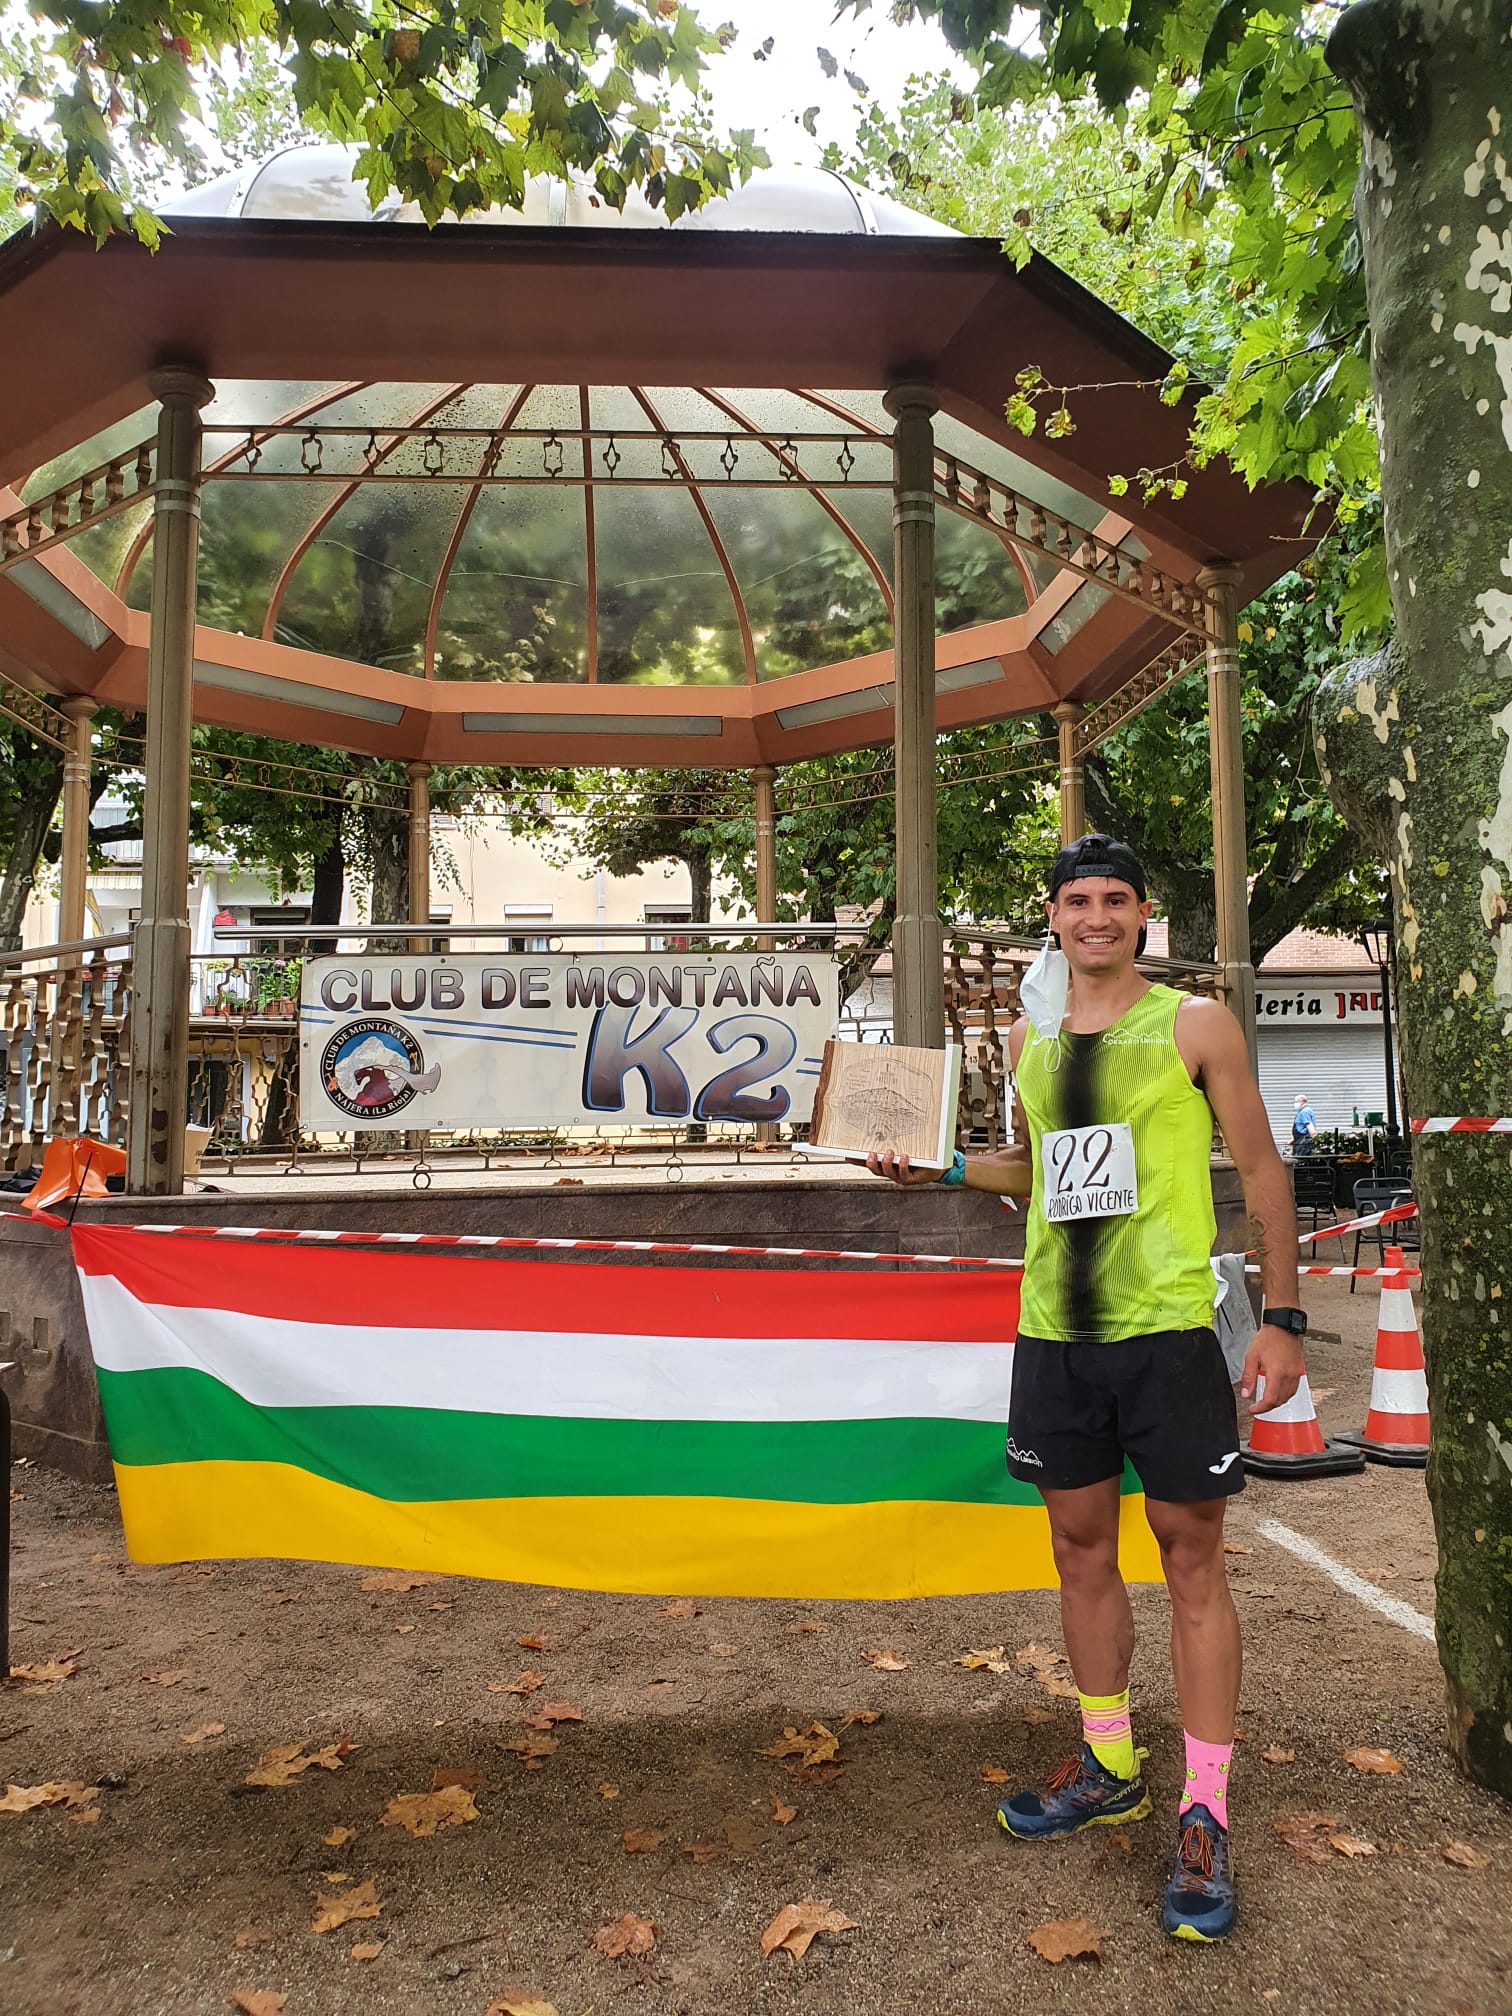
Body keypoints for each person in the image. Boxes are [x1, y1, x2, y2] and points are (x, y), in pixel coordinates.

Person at [868, 834, 1304, 1945]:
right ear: (1053, 918)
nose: (1096, 916)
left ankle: (1204, 1807)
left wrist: (1286, 1319)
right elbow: (1041, 1172)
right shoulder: (1029, 1039)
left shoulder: (1194, 1025)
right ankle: (1109, 1758)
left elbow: (1260, 1169)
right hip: (1056, 1332)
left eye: (1115, 899)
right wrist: (949, 1166)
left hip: (1166, 1332)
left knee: (1190, 1555)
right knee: (1078, 1550)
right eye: (1077, 901)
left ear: (1142, 914)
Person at [1291, 1093, 1319, 1158]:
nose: (1295, 1104)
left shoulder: (1304, 1112)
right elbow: (1301, 1126)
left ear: (1301, 1101)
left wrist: (1315, 1139)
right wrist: (1293, 1139)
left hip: (1304, 1141)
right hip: (1300, 1140)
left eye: (1296, 1102)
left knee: (1298, 1160)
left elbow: (1309, 1126)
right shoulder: (1305, 1111)